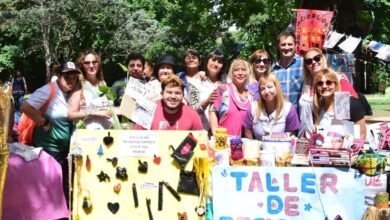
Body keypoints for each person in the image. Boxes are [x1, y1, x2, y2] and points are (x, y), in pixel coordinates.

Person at [20, 61, 81, 203]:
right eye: (67, 77)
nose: (71, 80)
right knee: (50, 192)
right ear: (59, 76)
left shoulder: (70, 93)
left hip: (65, 151)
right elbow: (25, 106)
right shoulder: (49, 90)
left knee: (62, 188)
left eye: (74, 77)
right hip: (49, 151)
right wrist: (42, 121)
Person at [298, 47, 361, 138]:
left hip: (333, 139)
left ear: (323, 59)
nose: (313, 62)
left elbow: (354, 111)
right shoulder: (305, 84)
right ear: (306, 66)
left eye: (317, 58)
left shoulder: (338, 81)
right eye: (308, 61)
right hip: (306, 137)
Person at [313, 68, 366, 139]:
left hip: (347, 149)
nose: (324, 86)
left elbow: (361, 133)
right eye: (320, 83)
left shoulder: (344, 102)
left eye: (329, 82)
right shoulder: (317, 106)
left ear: (336, 84)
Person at [134, 75, 203, 130]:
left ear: (183, 96)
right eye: (169, 92)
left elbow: (199, 140)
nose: (173, 96)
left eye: (177, 93)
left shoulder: (192, 114)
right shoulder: (148, 111)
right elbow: (138, 140)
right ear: (162, 94)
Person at [243, 74, 300, 140]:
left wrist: (272, 137)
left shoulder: (289, 108)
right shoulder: (253, 108)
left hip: (281, 148)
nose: (267, 91)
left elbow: (290, 134)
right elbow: (248, 132)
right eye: (262, 89)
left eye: (270, 87)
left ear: (277, 87)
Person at [68, 49, 113, 129]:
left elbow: (109, 108)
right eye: (87, 63)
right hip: (87, 136)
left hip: (105, 134)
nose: (91, 66)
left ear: (98, 64)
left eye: (94, 62)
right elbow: (71, 115)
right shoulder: (79, 85)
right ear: (82, 65)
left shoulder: (103, 83)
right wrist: (93, 113)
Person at [209, 59, 253, 137]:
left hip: (244, 144)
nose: (240, 73)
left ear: (248, 73)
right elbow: (212, 112)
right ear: (232, 73)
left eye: (243, 70)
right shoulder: (222, 90)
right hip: (223, 142)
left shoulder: (250, 96)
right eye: (236, 70)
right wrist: (216, 135)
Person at [272, 31, 304, 108]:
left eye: (290, 44)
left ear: (295, 46)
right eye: (283, 44)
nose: (287, 48)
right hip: (279, 116)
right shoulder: (273, 69)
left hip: (298, 116)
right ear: (278, 46)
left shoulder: (304, 64)